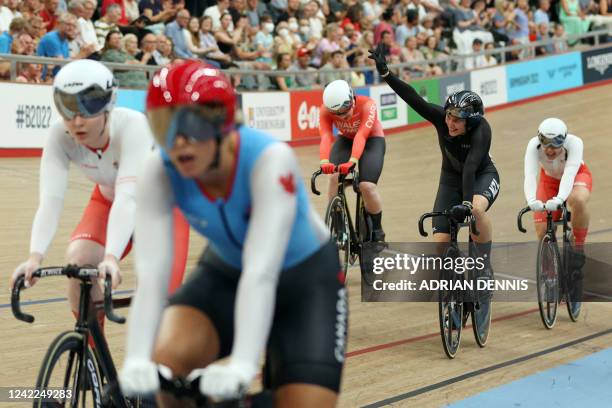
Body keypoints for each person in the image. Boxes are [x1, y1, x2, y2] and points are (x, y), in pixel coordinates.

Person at [119, 61, 346, 407]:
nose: (178, 142)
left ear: (222, 123)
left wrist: (243, 364)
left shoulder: (269, 160)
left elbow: (262, 271)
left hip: (307, 281)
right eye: (164, 127)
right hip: (226, 271)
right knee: (166, 368)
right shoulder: (158, 170)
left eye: (192, 126)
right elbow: (151, 277)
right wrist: (136, 357)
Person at [9, 59, 189, 338]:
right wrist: (34, 257)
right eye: (68, 109)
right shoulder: (59, 134)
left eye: (88, 109)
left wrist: (112, 257)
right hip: (108, 197)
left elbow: (128, 198)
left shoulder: (133, 126)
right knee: (78, 262)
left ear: (108, 105)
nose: (77, 121)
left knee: (157, 298)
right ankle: (93, 362)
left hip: (162, 208)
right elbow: (51, 200)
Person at [369, 43, 500, 277]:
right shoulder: (442, 119)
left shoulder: (482, 131)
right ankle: (456, 277)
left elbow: (470, 167)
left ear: (471, 121)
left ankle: (483, 267)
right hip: (450, 178)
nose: (451, 123)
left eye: (458, 120)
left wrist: (468, 205)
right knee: (440, 244)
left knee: (476, 213)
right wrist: (386, 74)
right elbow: (413, 99)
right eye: (449, 116)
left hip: (481, 176)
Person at [319, 79, 386, 242]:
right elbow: (326, 136)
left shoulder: (367, 104)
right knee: (333, 176)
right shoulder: (325, 111)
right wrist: (324, 161)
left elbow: (362, 135)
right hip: (346, 139)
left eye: (346, 108)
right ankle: (336, 223)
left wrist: (353, 160)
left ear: (352, 97)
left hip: (372, 139)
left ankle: (377, 230)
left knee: (367, 186)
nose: (343, 115)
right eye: (338, 113)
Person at [523, 118, 591, 257]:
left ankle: (578, 246)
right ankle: (549, 266)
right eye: (546, 143)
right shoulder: (533, 145)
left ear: (564, 140)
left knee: (578, 199)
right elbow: (530, 175)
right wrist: (531, 200)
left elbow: (570, 172)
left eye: (555, 144)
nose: (550, 150)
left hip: (577, 176)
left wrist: (560, 198)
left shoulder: (575, 143)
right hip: (549, 181)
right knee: (543, 231)